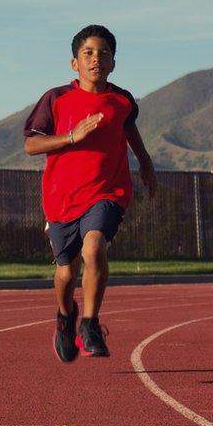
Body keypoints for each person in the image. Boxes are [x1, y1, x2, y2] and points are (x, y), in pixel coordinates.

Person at [23, 24, 156, 362]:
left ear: (113, 63)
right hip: (62, 198)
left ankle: (90, 324)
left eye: (104, 54)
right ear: (74, 64)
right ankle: (65, 318)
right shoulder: (56, 98)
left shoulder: (122, 100)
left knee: (94, 247)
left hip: (108, 191)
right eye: (89, 53)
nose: (97, 59)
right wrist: (71, 137)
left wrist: (145, 162)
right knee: (66, 274)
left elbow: (129, 129)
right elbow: (31, 145)